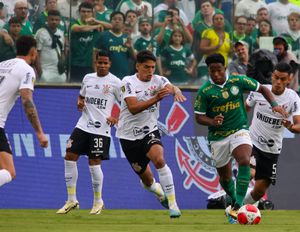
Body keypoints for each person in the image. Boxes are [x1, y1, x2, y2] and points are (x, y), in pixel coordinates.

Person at [194, 53, 287, 223]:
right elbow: (199, 117)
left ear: (225, 67)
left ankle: (237, 206)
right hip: (218, 137)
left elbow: (262, 88)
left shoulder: (237, 81)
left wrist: (274, 105)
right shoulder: (205, 91)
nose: (216, 74)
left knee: (244, 160)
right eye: (212, 71)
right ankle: (231, 199)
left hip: (239, 130)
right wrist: (212, 121)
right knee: (225, 178)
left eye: (219, 70)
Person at [116, 50, 186, 218]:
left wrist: (176, 91)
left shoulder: (159, 80)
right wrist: (156, 99)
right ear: (137, 66)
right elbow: (133, 108)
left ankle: (173, 204)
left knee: (159, 159)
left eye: (153, 67)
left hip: (150, 131)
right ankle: (158, 191)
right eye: (146, 67)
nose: (150, 71)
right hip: (128, 136)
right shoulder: (127, 82)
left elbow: (170, 86)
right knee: (147, 181)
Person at [56, 51, 121, 215]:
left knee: (94, 162)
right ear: (95, 63)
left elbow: (127, 103)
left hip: (101, 128)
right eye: (100, 62)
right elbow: (81, 96)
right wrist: (80, 102)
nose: (103, 65)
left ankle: (98, 202)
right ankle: (71, 200)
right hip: (83, 125)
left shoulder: (115, 82)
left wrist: (116, 117)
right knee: (69, 156)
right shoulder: (88, 78)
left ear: (110, 64)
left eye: (106, 63)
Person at [243, 62, 300, 206]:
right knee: (249, 173)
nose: (278, 82)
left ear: (289, 79)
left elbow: (299, 127)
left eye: (282, 79)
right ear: (272, 76)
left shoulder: (292, 98)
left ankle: (237, 205)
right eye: (276, 77)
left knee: (259, 191)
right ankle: (236, 205)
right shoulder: (260, 91)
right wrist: (240, 130)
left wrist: (290, 126)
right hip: (252, 142)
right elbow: (244, 110)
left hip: (272, 149)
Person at [0, 35, 48, 187]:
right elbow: (27, 101)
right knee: (9, 171)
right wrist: (39, 132)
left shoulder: (2, 65)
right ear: (33, 51)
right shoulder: (27, 70)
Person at [35, 10, 66, 83]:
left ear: (59, 21)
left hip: (59, 72)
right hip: (45, 71)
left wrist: (63, 67)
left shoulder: (61, 33)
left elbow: (62, 52)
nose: (54, 22)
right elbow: (36, 54)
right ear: (47, 19)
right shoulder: (41, 33)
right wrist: (40, 73)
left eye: (56, 20)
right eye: (52, 19)